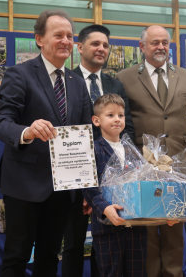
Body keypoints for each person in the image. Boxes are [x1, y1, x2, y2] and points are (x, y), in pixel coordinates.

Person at [116, 25, 186, 277]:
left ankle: (174, 273)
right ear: (142, 46)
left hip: (179, 162)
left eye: (165, 42)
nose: (161, 47)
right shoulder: (125, 77)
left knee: (174, 225)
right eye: (154, 42)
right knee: (147, 226)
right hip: (142, 164)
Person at [0, 9, 92, 276]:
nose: (65, 41)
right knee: (17, 256)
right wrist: (28, 130)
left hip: (64, 188)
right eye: (58, 35)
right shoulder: (20, 74)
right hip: (25, 184)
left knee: (50, 256)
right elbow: (2, 121)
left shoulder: (76, 82)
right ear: (39, 39)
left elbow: (86, 137)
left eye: (70, 36)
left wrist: (87, 189)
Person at [62, 24, 135, 277]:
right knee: (73, 244)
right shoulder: (65, 81)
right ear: (80, 47)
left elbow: (129, 130)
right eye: (95, 44)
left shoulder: (115, 83)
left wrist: (118, 182)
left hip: (115, 186)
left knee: (104, 247)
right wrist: (87, 188)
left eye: (105, 45)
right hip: (76, 177)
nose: (101, 49)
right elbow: (65, 130)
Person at [83, 93, 176, 277]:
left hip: (137, 228)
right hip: (107, 228)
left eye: (120, 115)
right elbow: (88, 189)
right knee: (111, 273)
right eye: (110, 115)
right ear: (96, 120)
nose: (117, 119)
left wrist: (164, 213)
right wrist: (104, 208)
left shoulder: (134, 151)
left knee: (138, 273)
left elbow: (147, 188)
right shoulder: (92, 150)